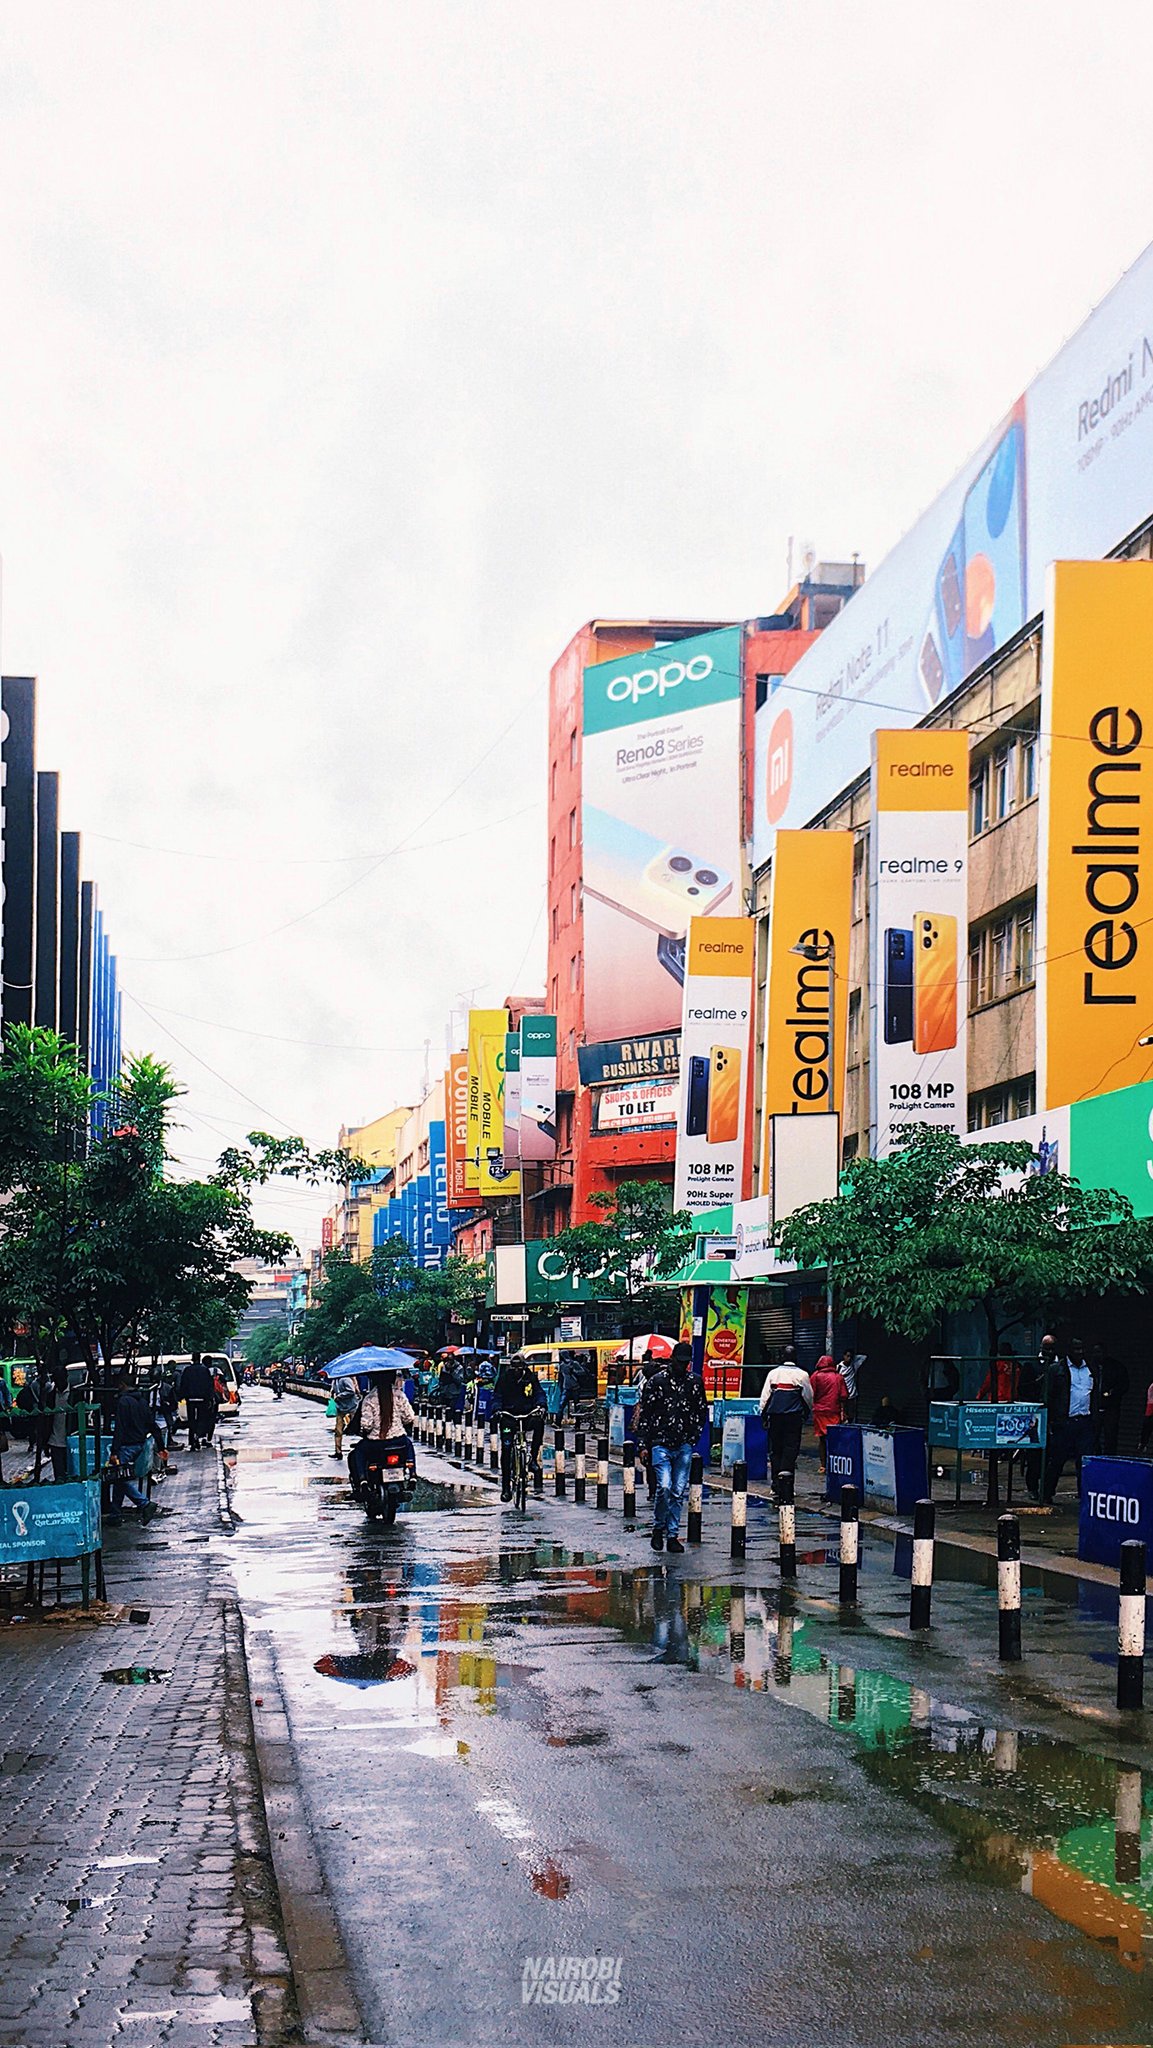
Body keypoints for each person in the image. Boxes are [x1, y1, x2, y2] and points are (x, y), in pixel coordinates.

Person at [633, 1341, 708, 1554]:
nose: (682, 1366)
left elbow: (701, 1410)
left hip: (683, 1443)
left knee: (677, 1491)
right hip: (660, 1442)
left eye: (686, 1363)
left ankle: (672, 1535)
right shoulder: (657, 1381)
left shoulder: (694, 1382)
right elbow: (645, 1414)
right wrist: (643, 1445)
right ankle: (659, 1528)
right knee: (664, 1486)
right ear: (672, 1359)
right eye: (679, 1361)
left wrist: (693, 1436)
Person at [1042, 1337, 1100, 1504]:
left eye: (1081, 1349)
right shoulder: (1056, 1370)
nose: (1079, 1352)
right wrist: (1052, 1420)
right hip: (1064, 1422)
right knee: (1057, 1460)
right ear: (1069, 1351)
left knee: (1084, 1461)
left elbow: (1094, 1395)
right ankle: (1047, 1493)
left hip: (1085, 1422)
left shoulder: (1091, 1369)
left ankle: (1084, 1495)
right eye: (1076, 1349)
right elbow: (1049, 1396)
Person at [107, 1370, 167, 1526]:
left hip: (126, 1445)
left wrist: (114, 1451)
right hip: (140, 1444)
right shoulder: (141, 1401)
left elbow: (120, 1428)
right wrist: (161, 1446)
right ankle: (115, 1514)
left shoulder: (123, 1402)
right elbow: (152, 1424)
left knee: (119, 1478)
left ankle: (144, 1504)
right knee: (120, 1479)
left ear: (122, 1385)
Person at [349, 1369, 417, 1493]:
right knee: (408, 1444)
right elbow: (409, 1417)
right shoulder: (399, 1395)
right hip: (398, 1440)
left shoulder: (369, 1399)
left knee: (358, 1452)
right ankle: (412, 1475)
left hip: (375, 1443)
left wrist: (364, 1430)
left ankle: (363, 1480)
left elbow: (367, 1425)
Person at [758, 1353, 814, 1497]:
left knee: (776, 1450)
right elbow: (808, 1397)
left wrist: (763, 1416)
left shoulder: (773, 1374)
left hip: (775, 1417)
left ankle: (776, 1485)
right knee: (790, 1450)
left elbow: (765, 1397)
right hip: (793, 1419)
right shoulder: (802, 1375)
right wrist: (806, 1414)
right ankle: (787, 1486)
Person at [492, 1354, 546, 1501]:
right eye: (514, 1367)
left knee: (539, 1423)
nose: (516, 1370)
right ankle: (506, 1488)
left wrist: (541, 1406)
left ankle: (533, 1459)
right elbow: (497, 1396)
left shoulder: (530, 1378)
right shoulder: (504, 1379)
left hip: (527, 1414)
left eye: (519, 1367)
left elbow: (539, 1393)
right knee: (506, 1449)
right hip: (508, 1417)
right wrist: (497, 1410)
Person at [809, 1354, 849, 1475]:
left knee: (822, 1439)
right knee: (835, 1439)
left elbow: (811, 1394)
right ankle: (835, 1464)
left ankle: (823, 1465)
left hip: (820, 1413)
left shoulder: (815, 1376)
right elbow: (844, 1395)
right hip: (834, 1412)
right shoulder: (838, 1377)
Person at [1092, 1343, 1128, 1456]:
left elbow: (1124, 1385)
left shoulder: (1116, 1367)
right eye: (1095, 1352)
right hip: (1094, 1407)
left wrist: (1113, 1393)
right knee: (1093, 1436)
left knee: (1110, 1436)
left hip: (1111, 1407)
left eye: (1099, 1352)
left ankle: (1109, 1458)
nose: (1097, 1355)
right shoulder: (1090, 1367)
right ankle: (1096, 1456)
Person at [178, 1353, 219, 1449]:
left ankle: (192, 1440)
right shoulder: (204, 1370)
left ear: (192, 1359)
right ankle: (199, 1437)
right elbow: (209, 1385)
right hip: (202, 1399)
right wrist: (210, 1398)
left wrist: (181, 1396)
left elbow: (183, 1384)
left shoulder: (187, 1370)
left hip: (190, 1399)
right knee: (201, 1419)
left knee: (191, 1420)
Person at [331, 1376, 361, 1458]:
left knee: (358, 1427)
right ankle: (338, 1452)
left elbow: (351, 1391)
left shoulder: (345, 1379)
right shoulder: (334, 1381)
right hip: (340, 1407)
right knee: (338, 1430)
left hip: (351, 1406)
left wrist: (340, 1396)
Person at [838, 1348, 861, 1422]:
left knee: (851, 1415)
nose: (849, 1358)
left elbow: (863, 1357)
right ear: (844, 1356)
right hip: (842, 1395)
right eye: (847, 1356)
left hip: (852, 1395)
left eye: (851, 1357)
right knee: (843, 1414)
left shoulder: (854, 1366)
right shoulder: (839, 1367)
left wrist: (854, 1358)